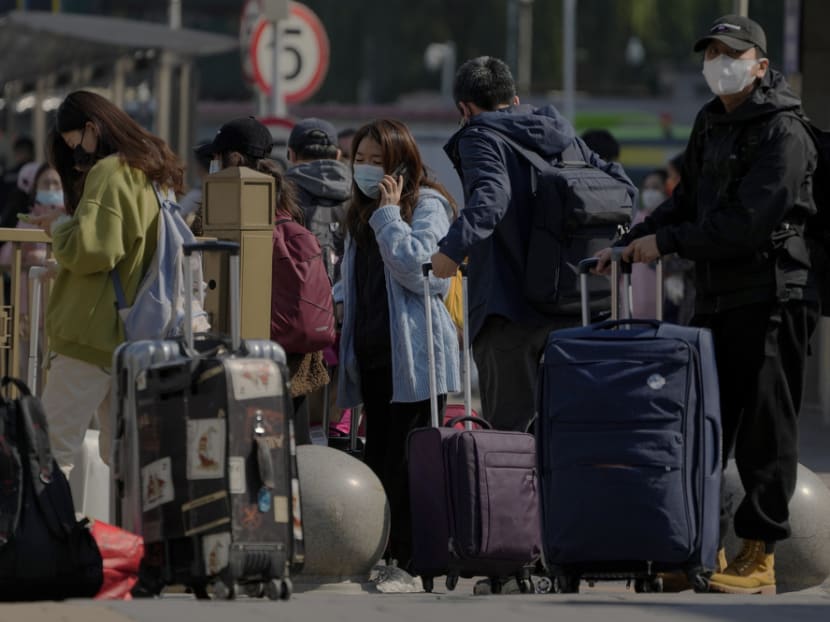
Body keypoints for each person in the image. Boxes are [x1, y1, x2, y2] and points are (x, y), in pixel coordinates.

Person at [595, 15, 820, 595]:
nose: (720, 61)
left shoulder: (784, 132)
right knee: (701, 429)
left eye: (732, 52)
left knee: (764, 434)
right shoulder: (711, 122)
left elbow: (748, 223)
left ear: (761, 65)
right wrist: (629, 243)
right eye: (713, 51)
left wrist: (665, 243)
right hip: (716, 297)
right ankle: (694, 547)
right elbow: (685, 202)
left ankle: (759, 555)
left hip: (773, 296)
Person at [430, 56, 635, 433]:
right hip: (576, 306)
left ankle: (515, 497)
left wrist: (450, 251)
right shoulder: (562, 135)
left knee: (509, 439)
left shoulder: (479, 136)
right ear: (516, 100)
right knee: (569, 431)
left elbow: (491, 197)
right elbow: (622, 188)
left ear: (464, 108)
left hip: (508, 311)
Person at [27, 90, 184, 475]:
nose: (75, 151)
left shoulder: (110, 173)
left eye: (74, 141)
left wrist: (60, 227)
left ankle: (44, 535)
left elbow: (93, 249)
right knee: (127, 460)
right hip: (131, 334)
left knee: (48, 454)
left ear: (92, 128)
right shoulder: (149, 172)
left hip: (89, 336)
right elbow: (124, 254)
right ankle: (131, 534)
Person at [335, 119, 460, 572]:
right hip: (373, 355)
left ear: (401, 165)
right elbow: (355, 279)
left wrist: (390, 216)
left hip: (415, 357)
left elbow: (422, 273)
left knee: (408, 465)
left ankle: (412, 560)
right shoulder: (358, 213)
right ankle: (383, 554)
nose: (367, 171)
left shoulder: (427, 205)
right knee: (379, 462)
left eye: (377, 162)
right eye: (360, 161)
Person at [201, 115, 329, 443]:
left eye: (217, 158)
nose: (212, 166)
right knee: (294, 454)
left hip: (248, 360)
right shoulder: (291, 219)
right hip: (292, 361)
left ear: (236, 161)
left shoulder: (224, 223)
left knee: (255, 455)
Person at [285, 117, 350, 281]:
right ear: (338, 154)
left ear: (291, 154)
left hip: (301, 297)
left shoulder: (280, 196)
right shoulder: (362, 193)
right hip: (351, 299)